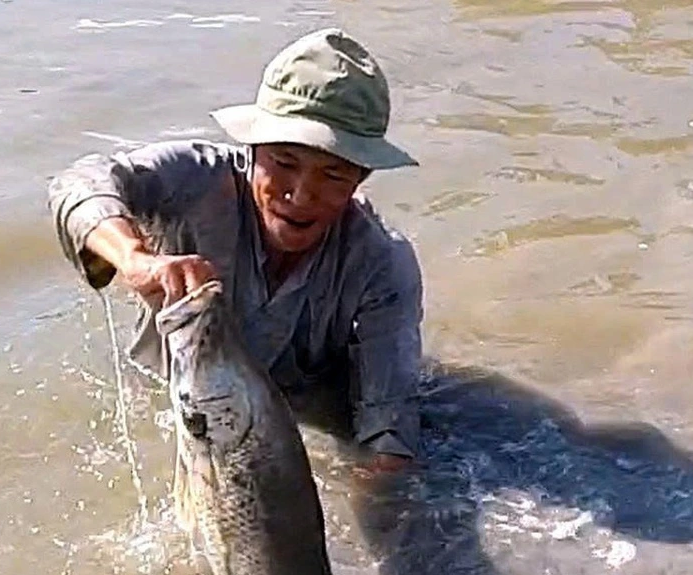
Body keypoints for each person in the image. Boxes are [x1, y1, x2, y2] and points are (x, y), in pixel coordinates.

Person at [46, 28, 424, 479]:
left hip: (299, 415)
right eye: (283, 163)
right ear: (251, 149)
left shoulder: (383, 264)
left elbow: (389, 437)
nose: (301, 195)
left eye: (334, 176)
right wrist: (134, 258)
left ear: (361, 178)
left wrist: (370, 503)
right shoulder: (194, 180)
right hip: (171, 398)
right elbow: (79, 182)